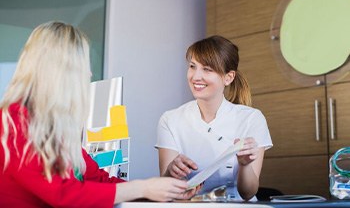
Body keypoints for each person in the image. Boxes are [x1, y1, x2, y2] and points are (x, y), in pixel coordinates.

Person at [0, 21, 198, 208]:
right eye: (83, 66)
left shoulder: (55, 128)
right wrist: (142, 188)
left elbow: (99, 179)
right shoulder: (14, 120)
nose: (89, 75)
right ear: (62, 71)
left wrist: (161, 189)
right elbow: (63, 194)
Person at [155, 35, 273, 201]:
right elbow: (166, 191)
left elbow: (248, 192)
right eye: (192, 66)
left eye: (207, 69)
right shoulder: (170, 120)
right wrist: (171, 171)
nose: (195, 76)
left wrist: (245, 165)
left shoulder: (252, 118)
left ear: (228, 77)